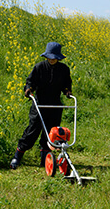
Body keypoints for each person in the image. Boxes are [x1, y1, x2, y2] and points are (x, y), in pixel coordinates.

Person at [10, 42, 72, 170]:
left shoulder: (64, 69)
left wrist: (67, 91)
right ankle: (17, 156)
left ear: (58, 57)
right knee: (32, 130)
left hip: (54, 105)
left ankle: (45, 159)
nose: (52, 59)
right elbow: (30, 82)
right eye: (49, 56)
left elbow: (67, 84)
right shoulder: (39, 67)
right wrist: (28, 89)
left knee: (50, 133)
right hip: (39, 104)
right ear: (46, 56)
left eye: (54, 57)